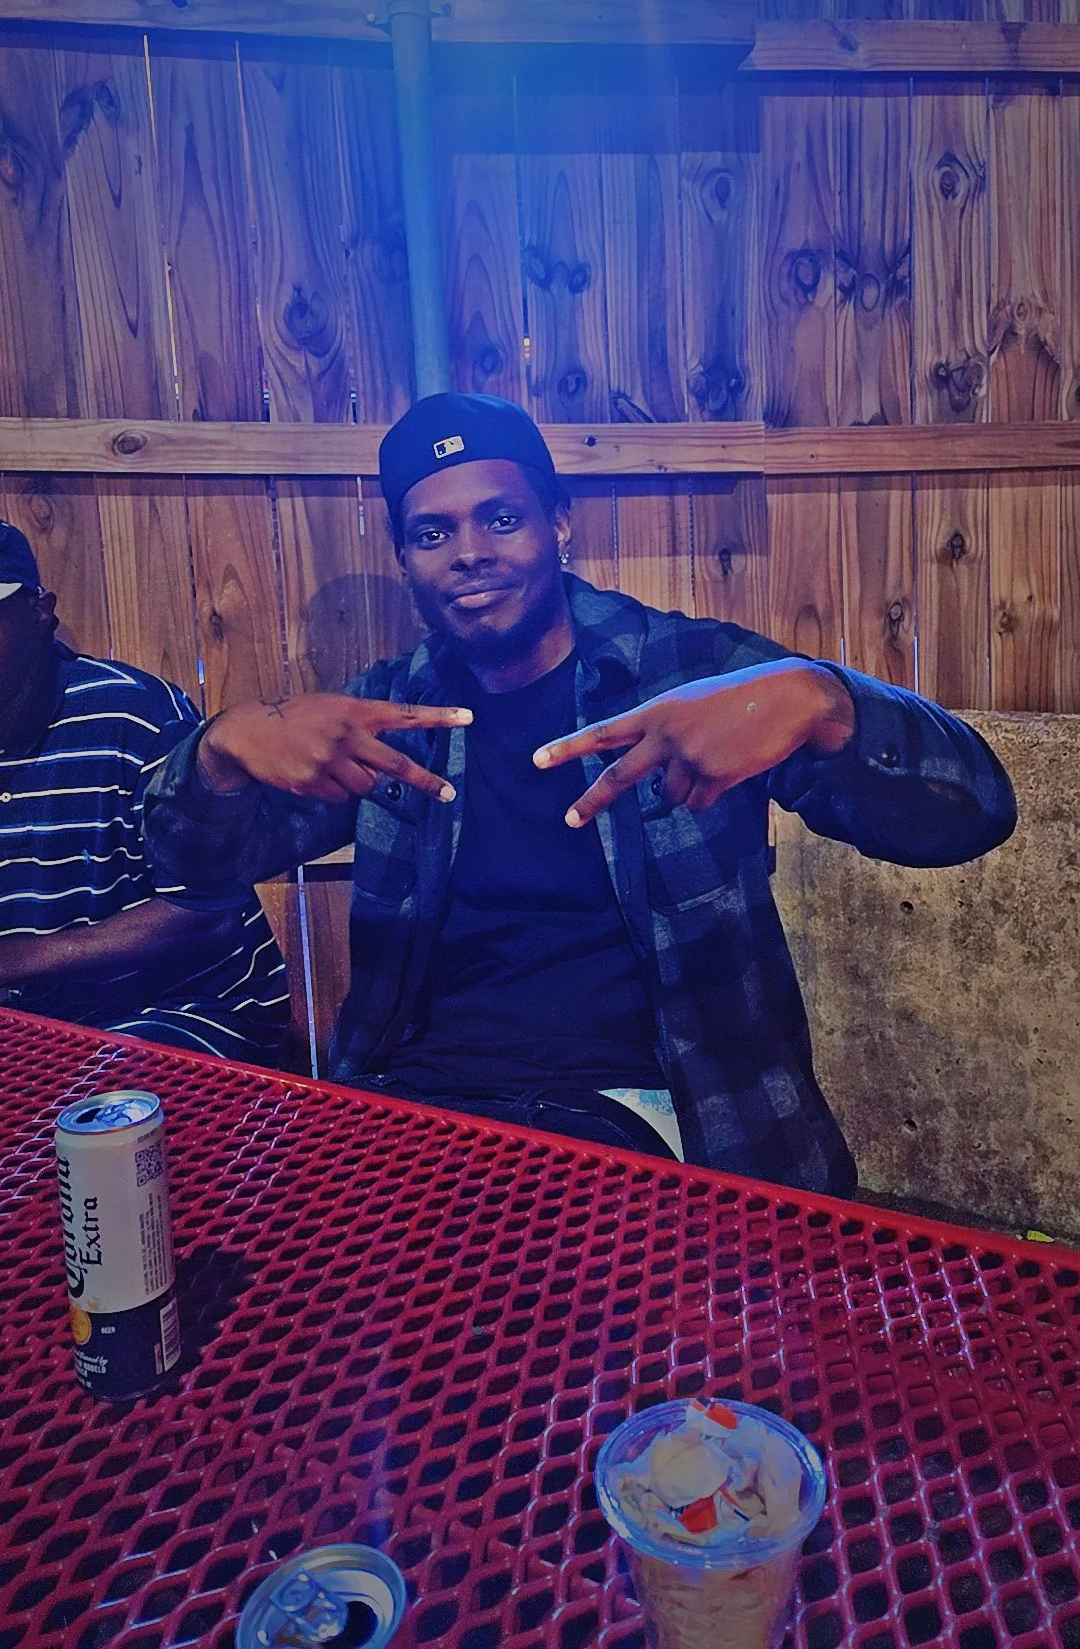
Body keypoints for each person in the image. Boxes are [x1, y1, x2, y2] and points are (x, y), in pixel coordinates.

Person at [143, 394, 1016, 1192]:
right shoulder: (390, 715)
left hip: (663, 1118)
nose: (471, 553)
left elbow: (974, 811)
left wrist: (829, 704)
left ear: (559, 524)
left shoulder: (689, 674)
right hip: (413, 1114)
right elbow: (194, 875)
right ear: (405, 558)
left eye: (502, 518)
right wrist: (216, 754)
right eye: (433, 534)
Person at [0, 522, 290, 1062]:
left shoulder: (137, 715)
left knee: (78, 1125)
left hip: (185, 1013)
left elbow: (207, 913)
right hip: (35, 1034)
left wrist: (16, 959)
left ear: (41, 611)